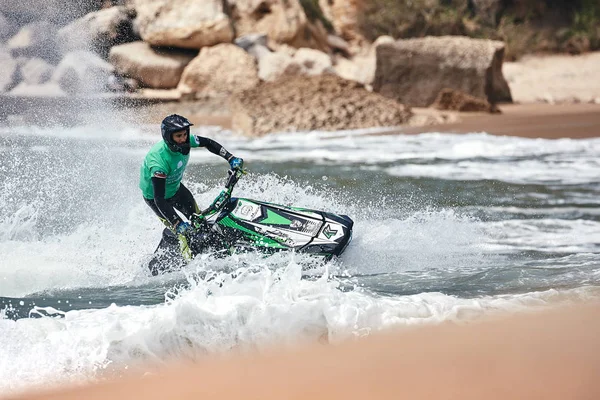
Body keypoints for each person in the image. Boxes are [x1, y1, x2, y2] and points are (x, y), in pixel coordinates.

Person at [139, 114, 243, 266]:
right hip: (157, 199)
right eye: (178, 136)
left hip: (176, 189)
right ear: (168, 137)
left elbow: (208, 143)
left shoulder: (187, 141)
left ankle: (218, 256)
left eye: (185, 134)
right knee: (182, 234)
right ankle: (177, 266)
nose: (183, 139)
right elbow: (159, 199)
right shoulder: (158, 162)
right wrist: (177, 223)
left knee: (201, 224)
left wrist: (230, 158)